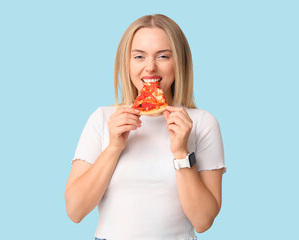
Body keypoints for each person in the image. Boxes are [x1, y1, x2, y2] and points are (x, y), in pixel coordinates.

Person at [64, 14, 226, 240]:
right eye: (139, 56)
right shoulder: (102, 119)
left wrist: (181, 153)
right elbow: (75, 211)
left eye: (163, 56)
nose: (150, 67)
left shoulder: (202, 123)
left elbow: (203, 221)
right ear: (127, 62)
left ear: (179, 62)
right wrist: (113, 147)